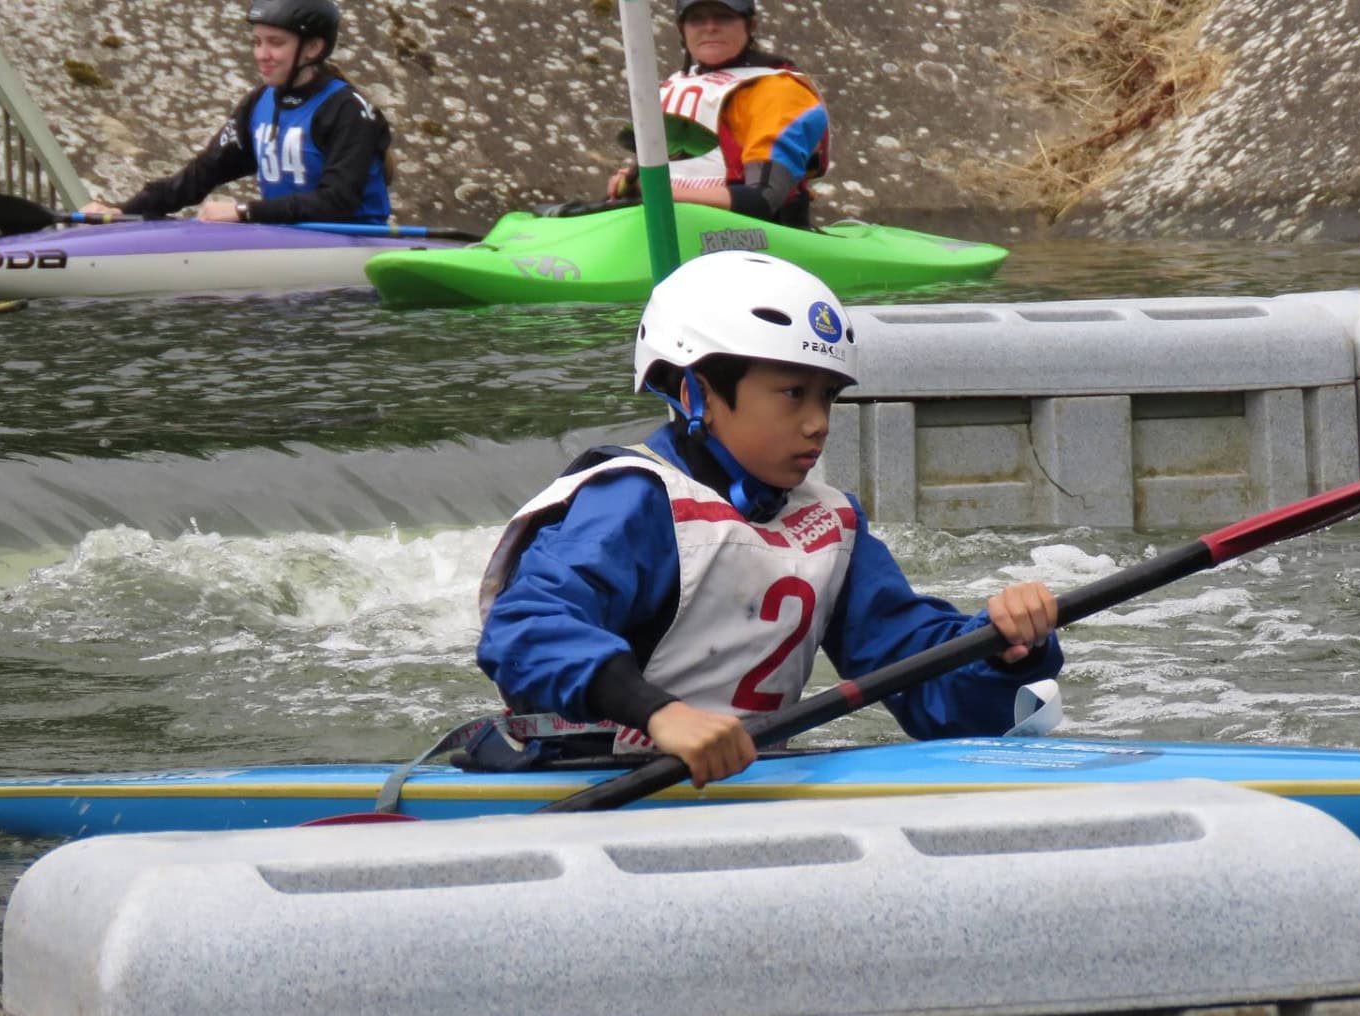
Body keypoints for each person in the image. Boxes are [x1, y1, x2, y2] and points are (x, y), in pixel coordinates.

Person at [474, 252, 1061, 787]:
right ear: (695, 392)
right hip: (586, 774)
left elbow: (934, 695)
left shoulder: (830, 524)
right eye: (791, 393)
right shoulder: (632, 500)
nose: (818, 422)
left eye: (827, 396)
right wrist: (660, 714)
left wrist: (997, 649)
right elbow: (526, 627)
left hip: (741, 781)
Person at [82, 0, 392, 226]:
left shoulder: (348, 110)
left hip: (353, 244)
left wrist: (244, 211)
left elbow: (336, 202)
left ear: (312, 48)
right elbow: (199, 175)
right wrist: (124, 212)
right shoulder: (259, 103)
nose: (261, 55)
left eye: (275, 43)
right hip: (286, 243)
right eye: (256, 42)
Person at [606, 0, 830, 228]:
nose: (710, 26)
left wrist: (656, 191)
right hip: (671, 225)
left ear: (750, 25)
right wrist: (630, 181)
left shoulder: (780, 91)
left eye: (723, 16)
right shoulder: (676, 85)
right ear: (682, 29)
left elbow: (763, 199)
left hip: (758, 240)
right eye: (697, 18)